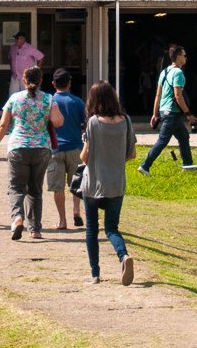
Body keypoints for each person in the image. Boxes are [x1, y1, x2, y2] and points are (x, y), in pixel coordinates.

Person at [0, 64, 63, 241]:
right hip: (41, 149)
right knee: (35, 189)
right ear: (41, 81)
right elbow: (58, 122)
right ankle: (35, 229)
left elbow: (3, 124)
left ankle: (17, 218)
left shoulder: (15, 99)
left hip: (18, 147)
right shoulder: (48, 99)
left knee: (16, 187)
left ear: (23, 80)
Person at [79, 80, 136, 285]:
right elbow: (132, 153)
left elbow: (85, 156)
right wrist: (115, 160)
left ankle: (95, 274)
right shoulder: (126, 121)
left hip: (93, 183)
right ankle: (123, 256)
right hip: (116, 183)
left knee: (92, 229)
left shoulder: (93, 122)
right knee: (112, 228)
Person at [138, 45, 197, 176]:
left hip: (164, 110)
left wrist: (155, 114)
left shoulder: (164, 72)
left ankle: (188, 165)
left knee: (183, 136)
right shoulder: (178, 73)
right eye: (184, 55)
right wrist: (188, 114)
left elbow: (157, 95)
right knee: (163, 140)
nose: (186, 58)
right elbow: (178, 96)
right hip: (172, 112)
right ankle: (145, 165)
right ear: (178, 57)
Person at [47, 68, 86, 230]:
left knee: (57, 187)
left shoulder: (49, 101)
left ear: (53, 84)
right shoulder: (77, 101)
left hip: (54, 148)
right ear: (69, 83)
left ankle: (62, 220)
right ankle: (76, 211)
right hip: (75, 147)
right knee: (76, 182)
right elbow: (86, 121)